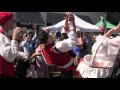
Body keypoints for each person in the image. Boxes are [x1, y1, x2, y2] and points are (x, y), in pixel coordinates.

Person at [36, 12, 78, 78]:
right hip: (68, 67)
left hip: (62, 67)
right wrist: (72, 22)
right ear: (48, 39)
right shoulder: (57, 46)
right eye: (49, 35)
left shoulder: (43, 47)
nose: (50, 35)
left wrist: (67, 24)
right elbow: (73, 40)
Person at [0, 12, 22, 78]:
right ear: (7, 22)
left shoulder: (5, 35)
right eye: (13, 21)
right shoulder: (1, 37)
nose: (14, 23)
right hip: (3, 73)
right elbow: (10, 57)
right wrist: (15, 39)